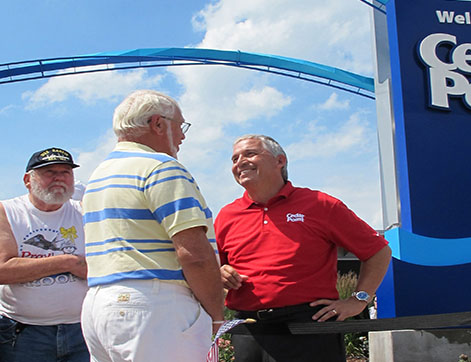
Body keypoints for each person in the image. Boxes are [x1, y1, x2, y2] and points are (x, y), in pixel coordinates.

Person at [215, 134, 392, 362]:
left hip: (310, 326)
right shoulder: (226, 215)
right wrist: (221, 273)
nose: (239, 162)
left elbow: (378, 251)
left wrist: (358, 300)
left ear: (280, 161)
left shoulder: (321, 204)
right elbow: (214, 267)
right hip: (250, 330)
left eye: (250, 154)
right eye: (234, 158)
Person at [81, 90, 224, 362]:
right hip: (155, 306)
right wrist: (217, 316)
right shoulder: (162, 168)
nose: (182, 136)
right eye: (180, 126)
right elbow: (194, 254)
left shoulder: (99, 175)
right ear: (158, 124)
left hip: (98, 306)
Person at [0, 147, 89, 362]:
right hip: (25, 333)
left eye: (65, 172)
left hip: (83, 330)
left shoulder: (85, 211)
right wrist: (68, 262)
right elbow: (3, 270)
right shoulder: (7, 212)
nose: (59, 178)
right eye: (49, 172)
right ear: (27, 180)